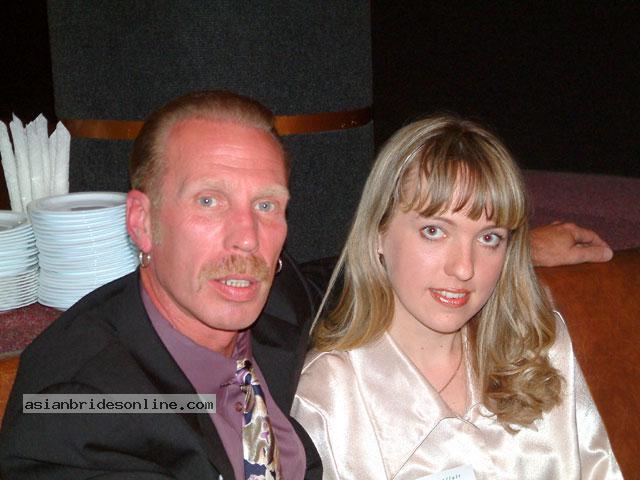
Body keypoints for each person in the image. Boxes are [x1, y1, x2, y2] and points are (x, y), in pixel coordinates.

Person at [0, 91, 322, 479]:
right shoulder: (78, 411)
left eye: (266, 205)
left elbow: (347, 276)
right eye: (209, 201)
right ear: (142, 222)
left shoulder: (278, 298)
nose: (248, 238)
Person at [292, 115, 621, 479]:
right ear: (378, 234)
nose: (464, 268)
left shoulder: (540, 349)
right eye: (434, 231)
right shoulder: (328, 398)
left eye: (489, 238)